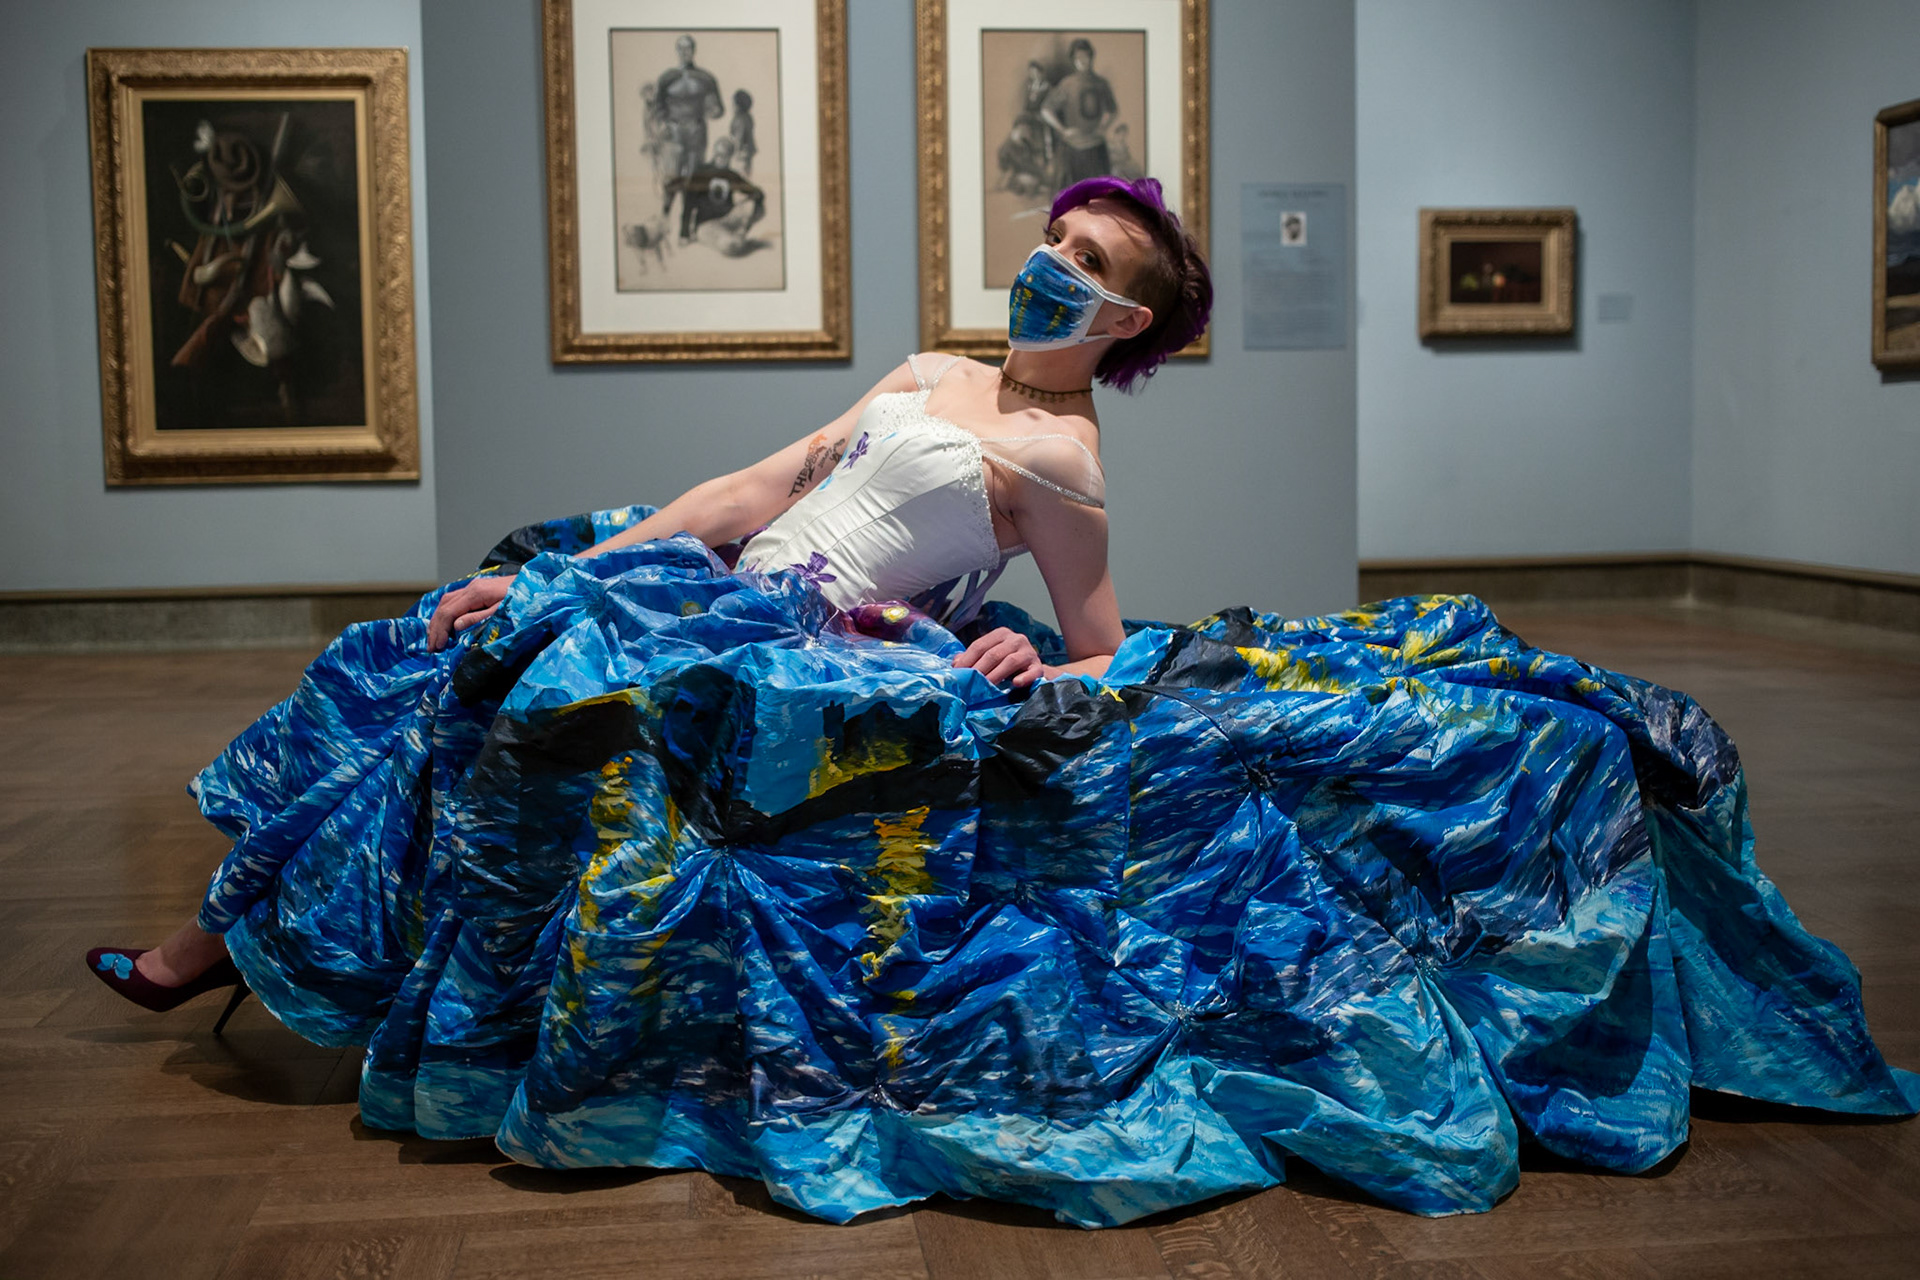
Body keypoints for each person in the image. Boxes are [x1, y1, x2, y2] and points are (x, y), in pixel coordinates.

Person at [87, 176, 1915, 1228]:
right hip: (713, 594)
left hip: (816, 650)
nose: (1059, 271)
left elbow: (1101, 642)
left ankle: (218, 954)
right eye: (1061, 244)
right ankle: (231, 936)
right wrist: (589, 565)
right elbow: (756, 486)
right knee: (435, 645)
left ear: (1130, 329)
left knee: (508, 703)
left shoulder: (1066, 461)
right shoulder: (926, 365)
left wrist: (1034, 653)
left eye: (1098, 274)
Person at [1040, 38, 1118, 187]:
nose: (1082, 61)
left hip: (1096, 149)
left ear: (1091, 57)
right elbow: (1046, 109)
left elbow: (1112, 110)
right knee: (1073, 195)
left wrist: (1102, 128)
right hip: (1073, 149)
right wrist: (1063, 130)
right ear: (1073, 60)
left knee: (1099, 194)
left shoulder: (1101, 84)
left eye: (1085, 56)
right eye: (1078, 57)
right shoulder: (1067, 84)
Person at [655, 35, 723, 184]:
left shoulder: (705, 78)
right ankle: (668, 200)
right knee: (672, 178)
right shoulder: (667, 78)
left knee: (695, 177)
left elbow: (718, 109)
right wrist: (663, 126)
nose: (684, 52)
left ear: (694, 50)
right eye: (681, 48)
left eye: (688, 48)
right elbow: (658, 107)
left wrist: (713, 110)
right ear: (677, 50)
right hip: (674, 130)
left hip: (696, 130)